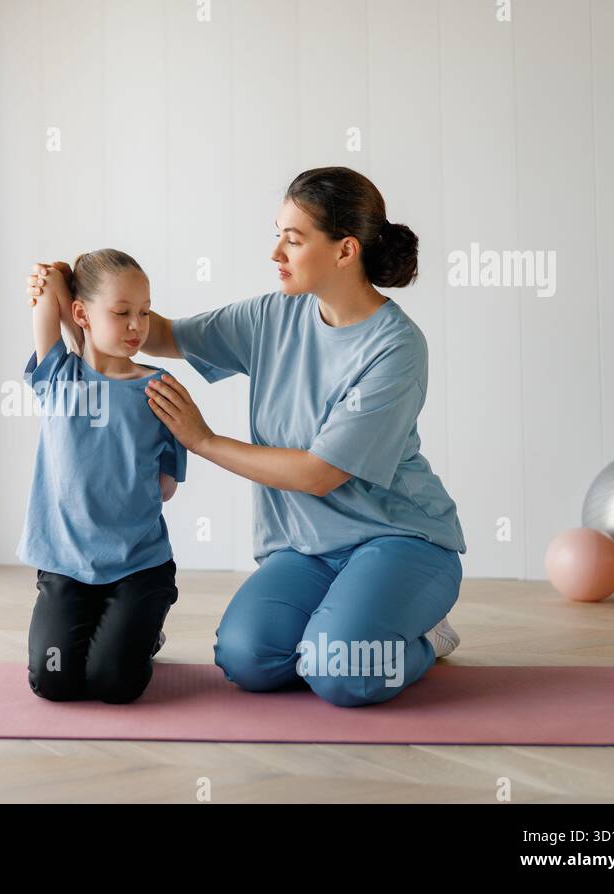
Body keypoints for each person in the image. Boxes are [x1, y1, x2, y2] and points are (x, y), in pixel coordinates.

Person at [28, 167, 467, 708]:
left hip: (398, 538)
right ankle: (354, 620)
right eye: (277, 233)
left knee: (336, 671)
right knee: (247, 660)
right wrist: (72, 293)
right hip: (308, 549)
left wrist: (203, 440)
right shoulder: (272, 317)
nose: (276, 252)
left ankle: (422, 636)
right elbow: (157, 334)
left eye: (294, 238)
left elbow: (319, 474)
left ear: (345, 251)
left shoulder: (396, 347)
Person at [19, 249, 186, 704]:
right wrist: (51, 276)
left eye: (144, 313)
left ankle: (144, 632)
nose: (137, 326)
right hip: (66, 566)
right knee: (53, 682)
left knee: (115, 684)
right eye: (121, 313)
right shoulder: (58, 378)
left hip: (138, 567)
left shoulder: (160, 389)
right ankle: (109, 627)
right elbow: (51, 300)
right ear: (81, 314)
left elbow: (165, 488)